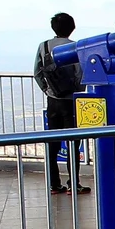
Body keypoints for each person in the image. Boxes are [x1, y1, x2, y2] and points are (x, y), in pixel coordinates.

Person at [35, 12, 87, 194]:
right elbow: (80, 73)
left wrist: (48, 90)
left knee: (53, 143)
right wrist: (78, 91)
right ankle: (74, 183)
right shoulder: (75, 47)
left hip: (52, 101)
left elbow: (37, 72)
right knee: (73, 143)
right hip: (71, 101)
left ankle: (54, 184)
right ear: (72, 27)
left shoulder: (44, 46)